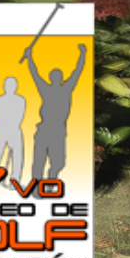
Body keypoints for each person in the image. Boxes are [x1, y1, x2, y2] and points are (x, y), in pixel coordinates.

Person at [26, 44, 84, 181]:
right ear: (51, 78)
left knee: (59, 163)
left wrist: (83, 54)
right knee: (39, 161)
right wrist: (29, 57)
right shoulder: (45, 89)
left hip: (58, 130)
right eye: (54, 75)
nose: (57, 77)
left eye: (59, 75)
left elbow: (78, 70)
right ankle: (36, 188)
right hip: (44, 129)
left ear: (62, 77)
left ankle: (51, 182)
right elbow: (35, 74)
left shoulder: (66, 88)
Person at [0, 76, 27, 185]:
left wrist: (11, 125)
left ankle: (14, 180)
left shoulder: (20, 100)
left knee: (17, 155)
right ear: (5, 87)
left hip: (12, 128)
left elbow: (19, 116)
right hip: (5, 128)